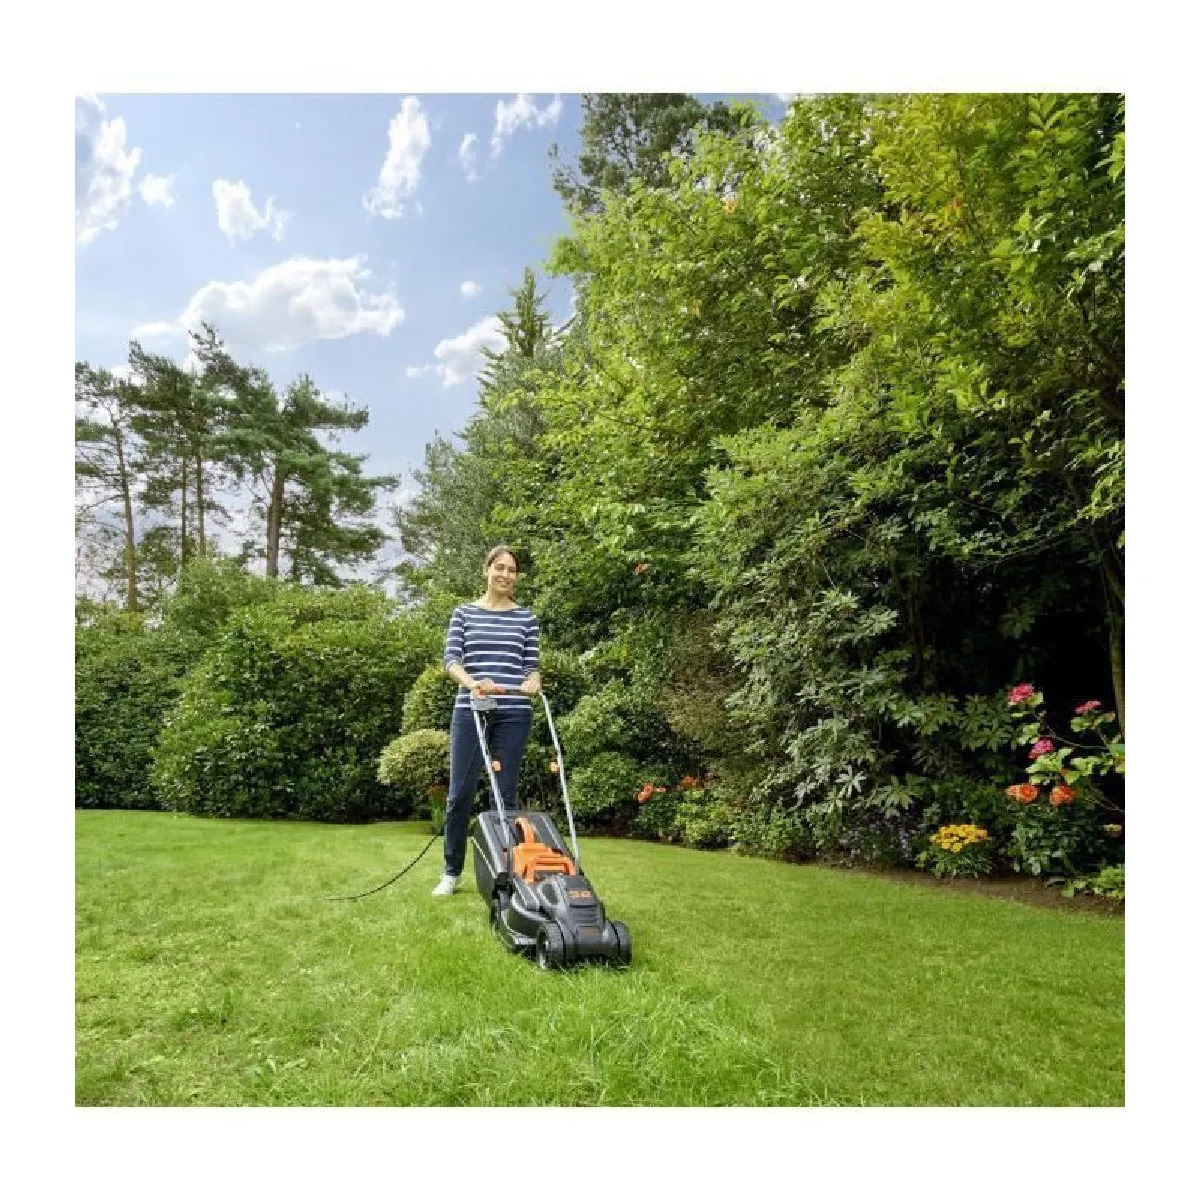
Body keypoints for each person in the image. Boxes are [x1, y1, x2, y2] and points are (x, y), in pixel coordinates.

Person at [434, 545, 541, 896]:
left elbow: (531, 667)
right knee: (459, 794)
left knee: (504, 796)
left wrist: (533, 681)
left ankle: (506, 872)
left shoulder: (526, 618)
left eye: (511, 570)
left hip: (514, 713)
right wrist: (473, 684)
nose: (505, 575)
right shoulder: (464, 613)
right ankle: (451, 872)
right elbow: (451, 661)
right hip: (471, 710)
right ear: (487, 570)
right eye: (499, 567)